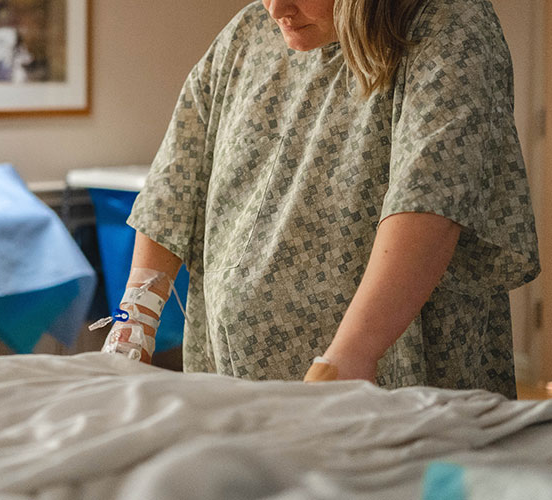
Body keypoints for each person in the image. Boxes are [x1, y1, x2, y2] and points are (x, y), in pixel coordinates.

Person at [102, 0, 540, 398]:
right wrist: (134, 320)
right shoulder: (249, 34)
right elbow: (176, 178)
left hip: (379, 383)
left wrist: (350, 357)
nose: (277, 9)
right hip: (233, 382)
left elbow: (430, 199)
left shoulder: (445, 24)